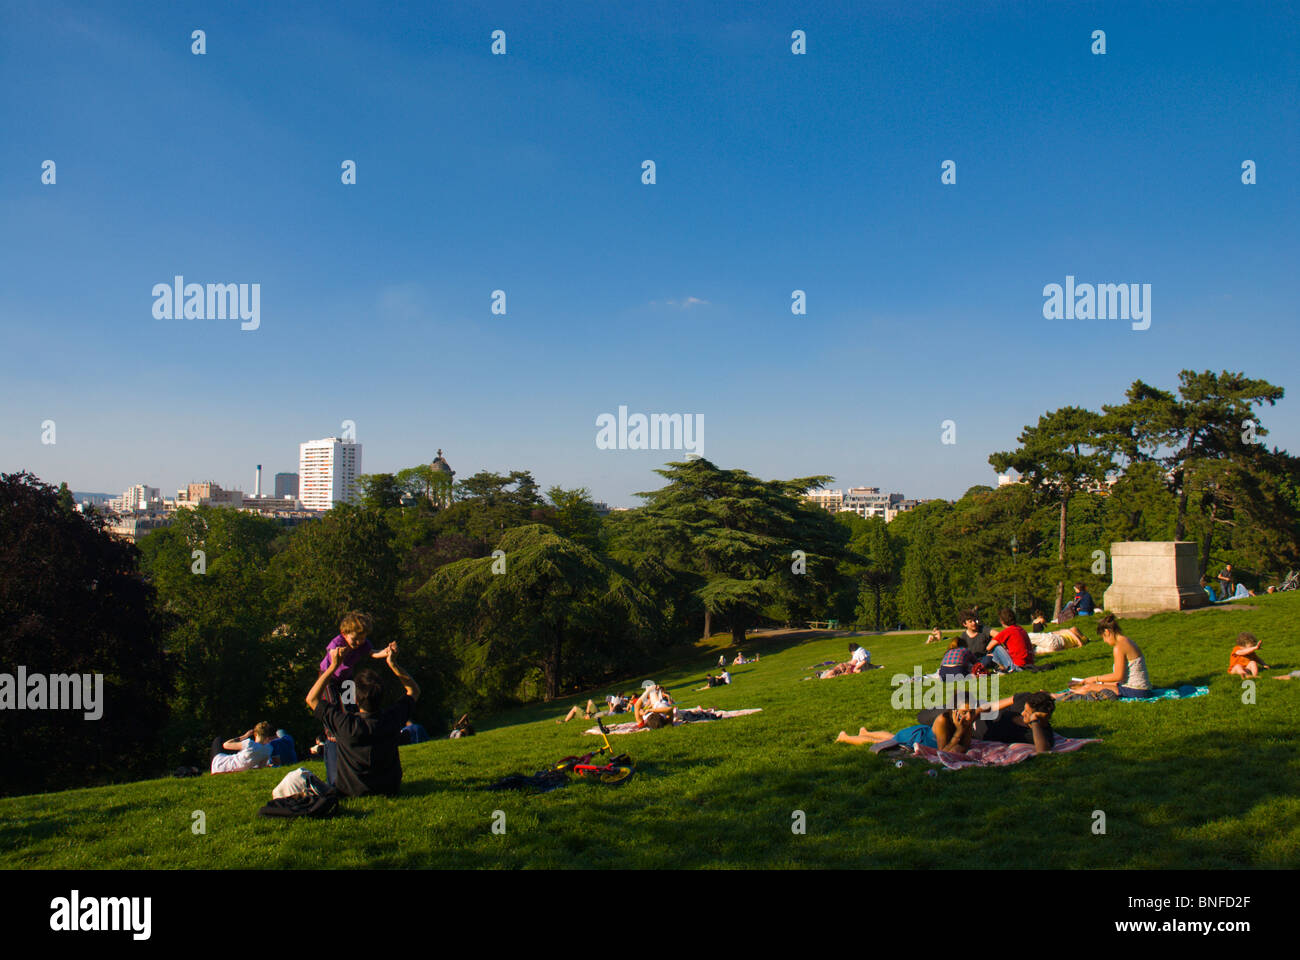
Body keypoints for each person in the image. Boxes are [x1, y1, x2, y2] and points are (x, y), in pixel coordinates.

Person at [306, 643, 421, 797]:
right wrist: (393, 664)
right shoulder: (392, 718)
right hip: (389, 787)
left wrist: (333, 667)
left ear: (355, 698)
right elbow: (413, 690)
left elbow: (312, 699)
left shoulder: (345, 724)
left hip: (350, 791)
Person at [837, 690, 1056, 755]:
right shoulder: (1022, 703)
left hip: (958, 727)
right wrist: (978, 710)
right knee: (903, 732)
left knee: (897, 735)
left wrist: (1035, 724)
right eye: (1026, 711)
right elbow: (997, 704)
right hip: (965, 720)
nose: (1025, 715)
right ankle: (855, 735)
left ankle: (859, 734)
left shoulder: (1038, 733)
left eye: (1031, 715)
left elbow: (1043, 750)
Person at [1060, 613, 1151, 698]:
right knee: (1096, 685)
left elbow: (1118, 676)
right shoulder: (1127, 641)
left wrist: (1094, 679)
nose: (1104, 641)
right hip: (1140, 687)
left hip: (1136, 690)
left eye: (1103, 637)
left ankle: (1061, 697)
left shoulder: (1119, 647)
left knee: (1088, 688)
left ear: (1107, 632)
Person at [210, 722, 276, 774]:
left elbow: (225, 745)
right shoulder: (269, 749)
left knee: (218, 739)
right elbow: (260, 767)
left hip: (219, 764)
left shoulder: (249, 743)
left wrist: (244, 736)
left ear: (255, 734)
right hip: (235, 768)